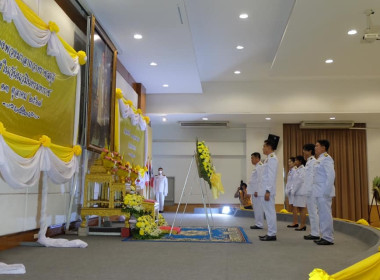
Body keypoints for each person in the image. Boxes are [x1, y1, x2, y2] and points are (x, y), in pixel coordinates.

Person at [312, 140, 335, 245]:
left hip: (324, 192)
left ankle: (328, 238)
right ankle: (324, 235)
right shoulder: (319, 159)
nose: (315, 148)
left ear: (323, 147)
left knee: (325, 214)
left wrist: (327, 191)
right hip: (318, 191)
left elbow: (330, 176)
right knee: (321, 214)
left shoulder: (327, 158)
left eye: (317, 146)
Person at [258, 140, 278, 241]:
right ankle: (270, 232)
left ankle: (272, 234)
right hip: (264, 190)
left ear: (269, 147)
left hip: (267, 191)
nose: (263, 148)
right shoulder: (267, 159)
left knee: (270, 212)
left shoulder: (272, 159)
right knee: (268, 212)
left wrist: (268, 191)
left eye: (264, 146)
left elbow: (271, 176)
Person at [302, 144, 320, 241]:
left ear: (309, 151)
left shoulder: (313, 162)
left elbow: (314, 177)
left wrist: (311, 190)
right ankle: (314, 232)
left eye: (304, 151)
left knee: (313, 212)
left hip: (312, 191)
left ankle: (315, 233)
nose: (303, 153)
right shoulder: (309, 162)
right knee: (312, 212)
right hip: (309, 191)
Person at [246, 152, 264, 229]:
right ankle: (257, 223)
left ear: (257, 158)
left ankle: (259, 224)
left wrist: (257, 190)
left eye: (252, 158)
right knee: (256, 208)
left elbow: (260, 180)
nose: (251, 160)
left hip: (257, 192)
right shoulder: (257, 166)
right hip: (255, 191)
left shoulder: (260, 166)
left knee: (258, 208)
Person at [291, 155, 307, 231]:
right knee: (300, 209)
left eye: (296, 160)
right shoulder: (298, 169)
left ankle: (303, 225)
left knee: (302, 208)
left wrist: (294, 190)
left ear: (300, 161)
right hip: (298, 191)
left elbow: (300, 181)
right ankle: (301, 225)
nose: (295, 162)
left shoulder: (303, 169)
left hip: (301, 192)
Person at [285, 157, 298, 228]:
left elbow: (295, 181)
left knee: (295, 207)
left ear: (294, 163)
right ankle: (294, 222)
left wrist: (292, 190)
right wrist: (287, 190)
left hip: (293, 191)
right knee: (293, 207)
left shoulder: (295, 170)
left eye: (290, 162)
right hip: (290, 191)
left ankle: (295, 222)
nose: (289, 163)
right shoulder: (290, 171)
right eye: (288, 162)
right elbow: (288, 182)